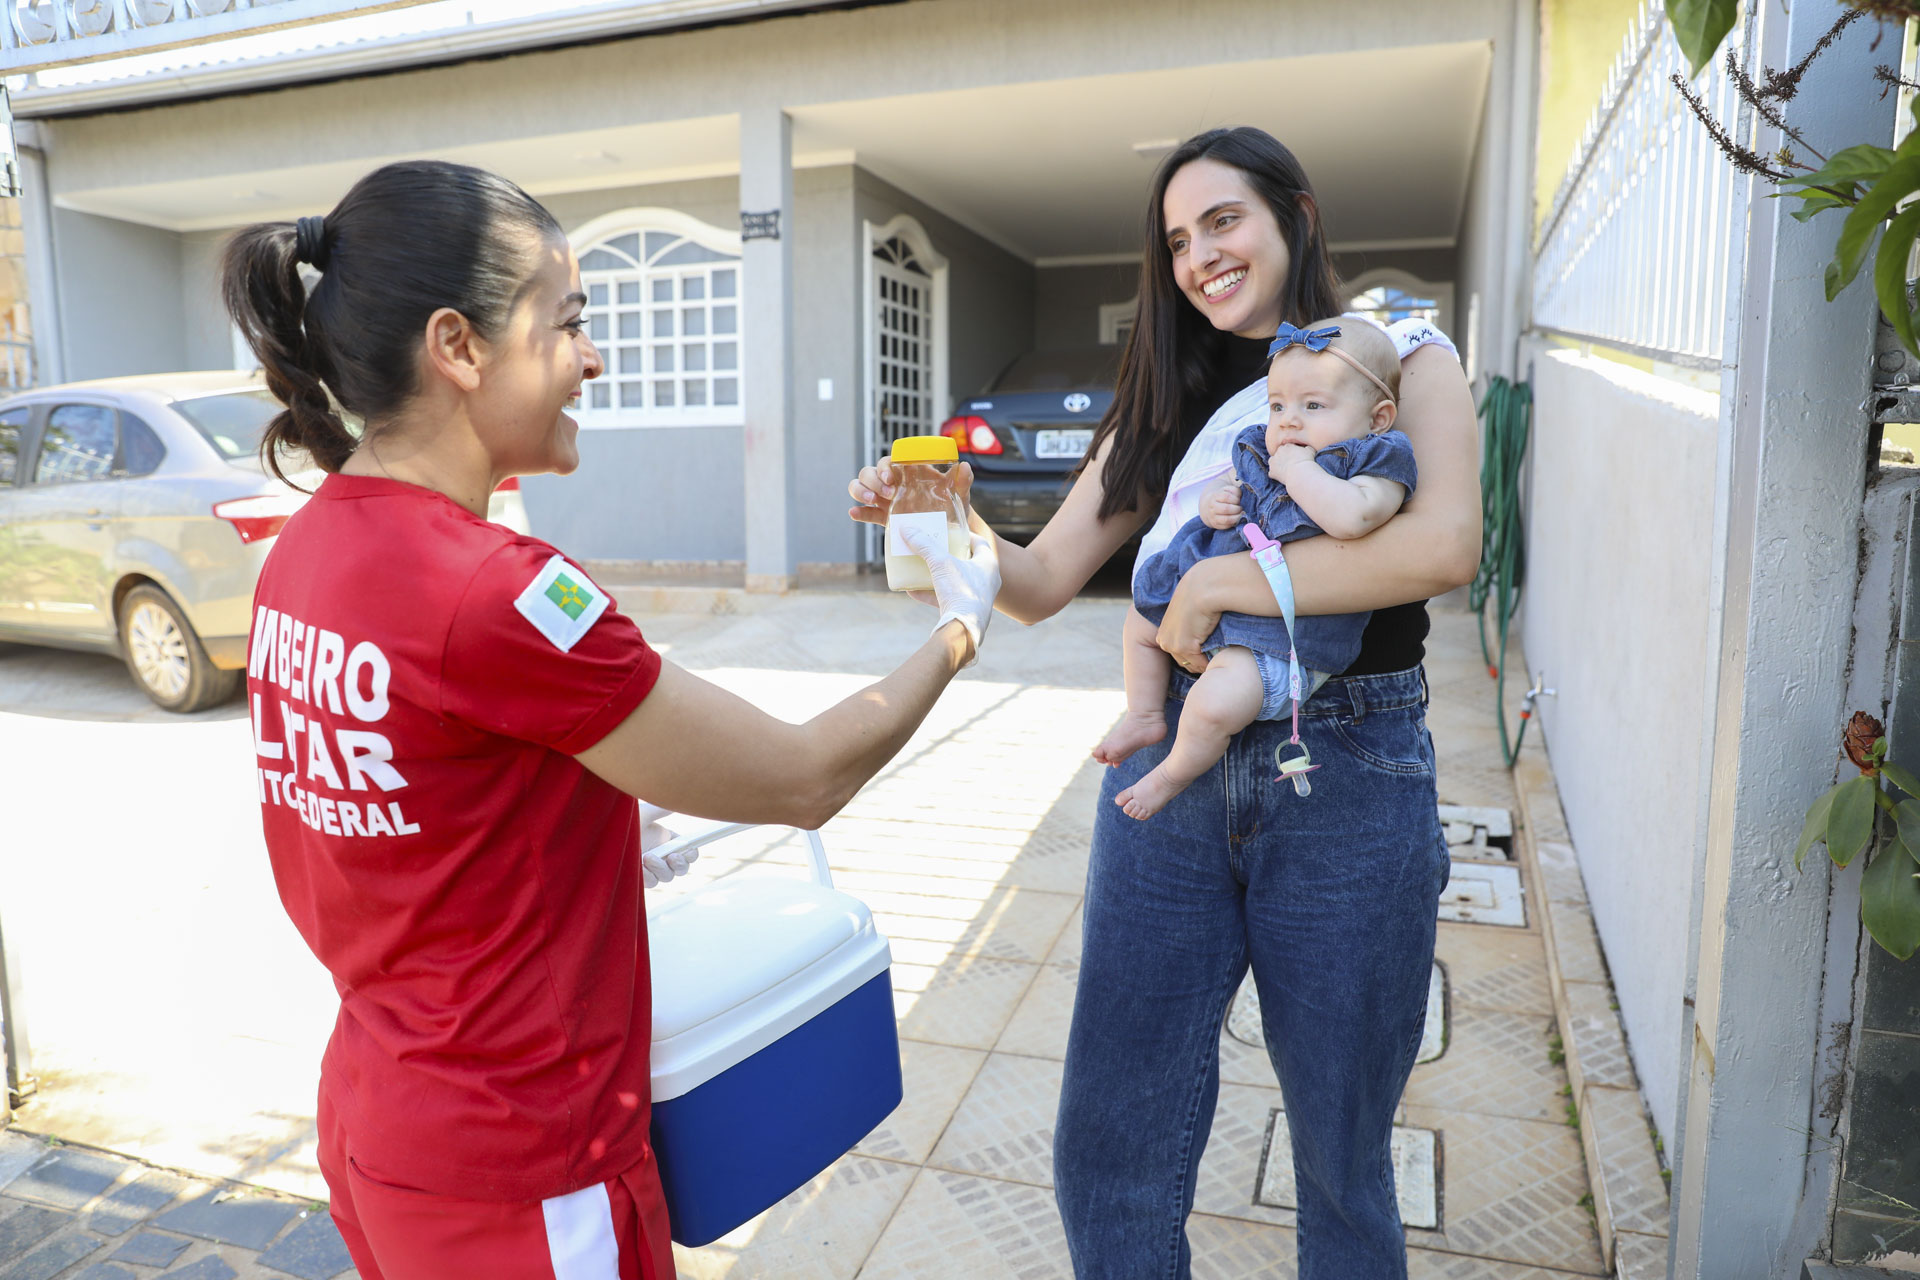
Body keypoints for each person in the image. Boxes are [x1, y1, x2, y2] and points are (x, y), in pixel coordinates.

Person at [228, 159, 998, 1280]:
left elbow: (419, 800)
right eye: (569, 320)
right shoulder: (496, 589)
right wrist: (959, 626)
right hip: (525, 1164)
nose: (595, 355)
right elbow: (800, 777)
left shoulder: (308, 549)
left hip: (382, 1120)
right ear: (459, 347)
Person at [848, 127, 1480, 1278]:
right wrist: (943, 505)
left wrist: (1214, 581)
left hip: (1348, 765)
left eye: (1223, 221)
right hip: (1170, 775)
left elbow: (1441, 546)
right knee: (1114, 1138)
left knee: (1343, 1152)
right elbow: (1038, 581)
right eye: (1177, 240)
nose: (1200, 257)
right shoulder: (1168, 393)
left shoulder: (1397, 348)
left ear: (1296, 212)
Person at [1097, 316, 1415, 820]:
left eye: (1313, 405)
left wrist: (1299, 471)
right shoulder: (1256, 445)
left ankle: (1170, 775)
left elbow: (1354, 518)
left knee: (1213, 705)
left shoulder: (1376, 459)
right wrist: (1214, 503)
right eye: (1277, 405)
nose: (1288, 420)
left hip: (1277, 637)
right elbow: (1226, 485)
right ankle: (1143, 713)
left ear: (1378, 417)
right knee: (1138, 621)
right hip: (1210, 592)